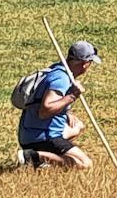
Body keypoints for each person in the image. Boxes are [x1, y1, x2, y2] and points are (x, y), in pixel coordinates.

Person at [17, 41, 103, 170]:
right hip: (42, 136)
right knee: (85, 164)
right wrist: (72, 96)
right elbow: (45, 111)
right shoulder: (61, 79)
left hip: (29, 132)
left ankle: (45, 160)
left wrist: (65, 114)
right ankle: (33, 156)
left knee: (77, 126)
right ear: (85, 64)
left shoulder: (57, 69)